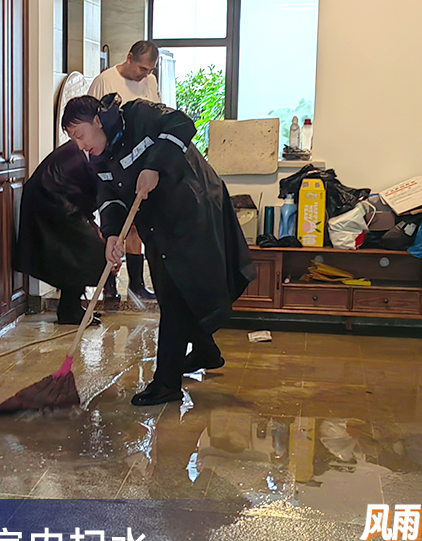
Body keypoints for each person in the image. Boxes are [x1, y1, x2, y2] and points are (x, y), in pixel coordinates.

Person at [62, 94, 255, 406]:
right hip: (157, 222)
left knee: (178, 293)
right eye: (74, 140)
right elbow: (109, 197)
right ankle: (206, 351)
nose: (81, 145)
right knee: (171, 292)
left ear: (97, 121)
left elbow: (182, 124)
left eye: (80, 135)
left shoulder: (138, 115)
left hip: (192, 208)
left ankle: (167, 383)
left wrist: (153, 166)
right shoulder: (98, 158)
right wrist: (112, 235)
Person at [88, 40, 161, 301]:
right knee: (113, 224)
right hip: (110, 162)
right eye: (142, 68)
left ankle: (136, 284)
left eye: (150, 70)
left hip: (139, 164)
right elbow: (91, 122)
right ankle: (109, 282)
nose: (145, 74)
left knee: (137, 225)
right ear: (129, 57)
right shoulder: (105, 81)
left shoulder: (150, 82)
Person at [14, 141, 111, 325]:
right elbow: (94, 192)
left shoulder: (82, 151)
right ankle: (70, 311)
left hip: (56, 205)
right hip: (50, 206)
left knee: (74, 256)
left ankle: (71, 308)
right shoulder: (82, 151)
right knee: (83, 252)